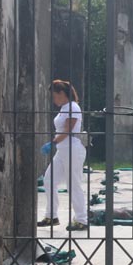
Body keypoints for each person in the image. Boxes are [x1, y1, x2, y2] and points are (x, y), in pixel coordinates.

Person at [38, 80, 88, 231]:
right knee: (49, 180)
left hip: (72, 149)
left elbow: (67, 130)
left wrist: (52, 142)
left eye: (54, 96)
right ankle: (51, 216)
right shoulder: (64, 108)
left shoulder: (73, 107)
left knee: (73, 184)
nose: (53, 100)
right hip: (63, 150)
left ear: (61, 94)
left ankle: (82, 220)